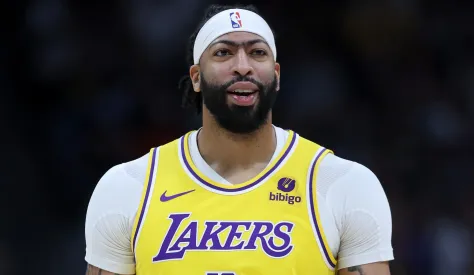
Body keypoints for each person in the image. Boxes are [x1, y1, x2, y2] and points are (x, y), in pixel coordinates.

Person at [84, 4, 394, 275]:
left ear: (276, 74)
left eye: (257, 52)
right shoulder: (127, 187)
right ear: (195, 77)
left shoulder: (343, 184)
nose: (242, 66)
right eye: (223, 53)